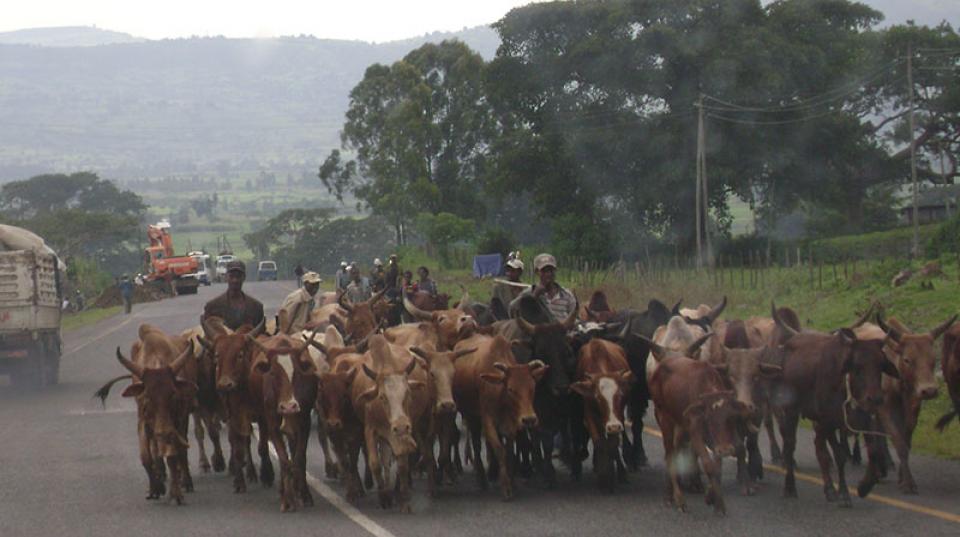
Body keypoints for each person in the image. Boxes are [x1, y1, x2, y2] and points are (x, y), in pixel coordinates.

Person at [509, 253, 577, 322]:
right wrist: (533, 297)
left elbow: (575, 318)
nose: (548, 274)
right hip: (538, 331)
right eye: (544, 271)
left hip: (563, 331)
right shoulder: (528, 293)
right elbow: (512, 309)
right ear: (537, 272)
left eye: (551, 270)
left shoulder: (566, 295)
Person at [202, 260, 265, 330]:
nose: (235, 280)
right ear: (226, 277)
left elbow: (261, 336)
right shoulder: (212, 307)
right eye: (231, 276)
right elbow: (208, 334)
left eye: (238, 276)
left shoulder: (256, 307)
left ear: (244, 277)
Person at [491, 255, 525, 320]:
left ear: (520, 272)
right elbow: (494, 307)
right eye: (508, 270)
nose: (509, 273)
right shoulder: (499, 287)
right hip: (503, 320)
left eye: (513, 271)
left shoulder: (525, 289)